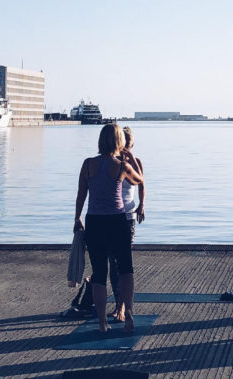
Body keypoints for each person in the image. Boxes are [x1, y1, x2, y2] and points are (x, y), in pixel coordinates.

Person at [74, 123, 143, 333]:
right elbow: (139, 180)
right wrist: (130, 160)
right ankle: (128, 312)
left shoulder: (87, 164)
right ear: (119, 142)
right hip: (117, 221)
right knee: (125, 268)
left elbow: (81, 195)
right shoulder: (121, 166)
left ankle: (102, 321)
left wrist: (77, 218)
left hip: (94, 221)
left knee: (99, 272)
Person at [108, 126, 146, 322]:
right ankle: (118, 305)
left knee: (122, 263)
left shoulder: (134, 162)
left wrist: (142, 206)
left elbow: (141, 183)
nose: (127, 149)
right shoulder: (112, 162)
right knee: (111, 264)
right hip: (111, 215)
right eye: (125, 145)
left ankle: (123, 307)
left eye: (130, 145)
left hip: (128, 216)